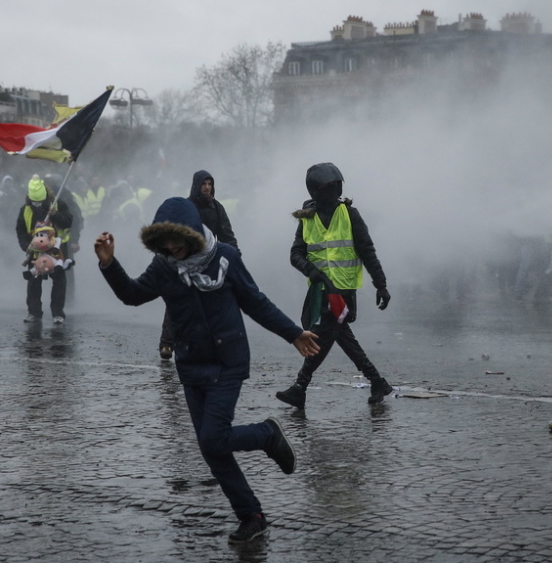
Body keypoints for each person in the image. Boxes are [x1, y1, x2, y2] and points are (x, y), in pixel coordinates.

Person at [94, 197, 320, 543]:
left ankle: (267, 434)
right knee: (212, 448)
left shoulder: (225, 258)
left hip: (227, 363)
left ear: (193, 234)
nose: (173, 247)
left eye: (178, 240)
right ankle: (252, 516)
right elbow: (132, 294)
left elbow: (255, 302)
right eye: (165, 242)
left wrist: (293, 333)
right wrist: (109, 264)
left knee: (213, 438)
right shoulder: (164, 267)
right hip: (191, 366)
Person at [275, 162, 393, 410]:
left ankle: (300, 386)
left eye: (337, 186)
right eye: (329, 186)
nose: (335, 191)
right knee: (338, 335)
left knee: (323, 335)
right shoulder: (307, 218)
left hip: (343, 290)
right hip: (321, 291)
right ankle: (377, 382)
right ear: (316, 190)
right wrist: (311, 271)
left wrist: (380, 284)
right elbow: (296, 254)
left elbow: (367, 251)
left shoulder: (350, 215)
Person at [159, 170, 239, 360]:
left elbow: (227, 236)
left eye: (210, 184)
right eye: (204, 184)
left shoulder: (217, 208)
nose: (207, 187)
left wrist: (234, 257)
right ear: (196, 185)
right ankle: (167, 343)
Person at [16, 175, 73, 324]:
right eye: (34, 202)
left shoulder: (58, 204)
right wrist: (26, 246)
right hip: (35, 250)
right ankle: (34, 312)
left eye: (39, 202)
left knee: (59, 281)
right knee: (34, 281)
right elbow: (21, 230)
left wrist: (56, 215)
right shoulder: (25, 210)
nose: (37, 205)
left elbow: (68, 222)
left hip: (56, 249)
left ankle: (58, 313)